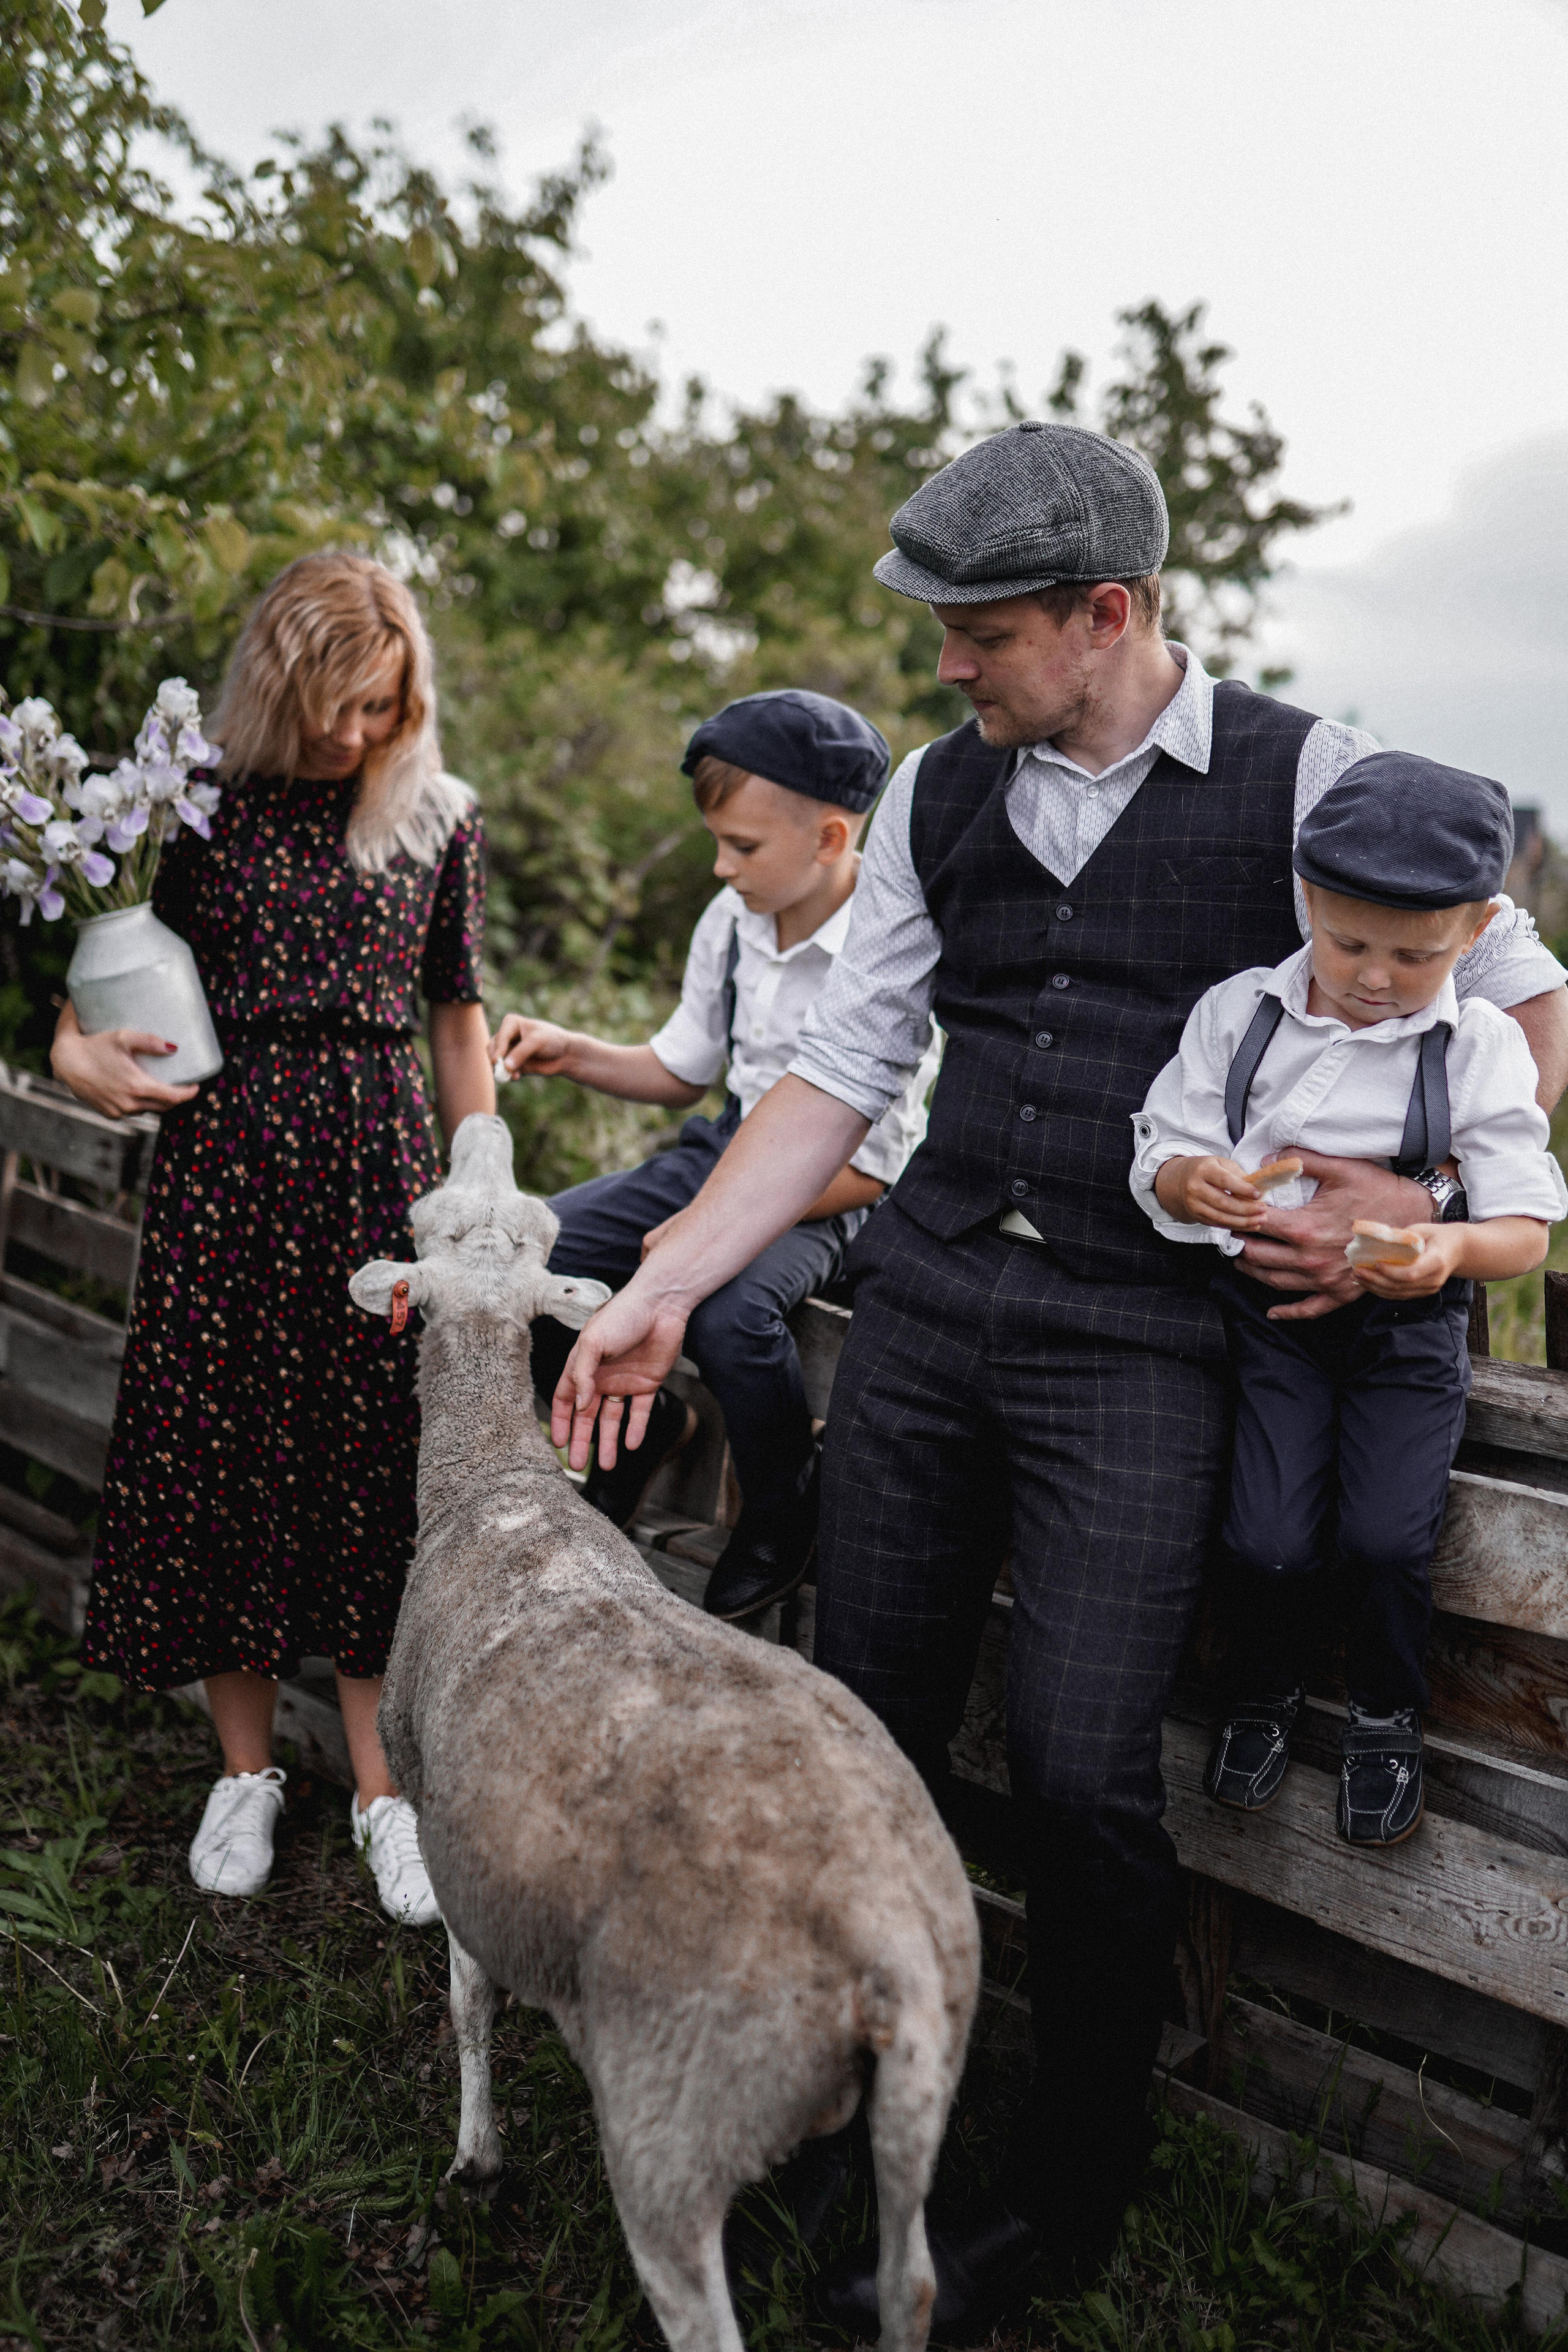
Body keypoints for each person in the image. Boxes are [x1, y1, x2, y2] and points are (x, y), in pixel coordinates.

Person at [542, 420, 1568, 2335]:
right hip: (930, 1309)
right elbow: (835, 1077)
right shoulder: (940, 792)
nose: (943, 666)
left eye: (978, 633)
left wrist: (1415, 1192)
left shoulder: (1314, 780)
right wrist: (668, 1277)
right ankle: (845, 2120)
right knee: (866, 1732)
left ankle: (1064, 2190)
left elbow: (1513, 987)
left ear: (1106, 614)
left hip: (1147, 1343)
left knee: (1094, 1771)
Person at [54, 552, 495, 1923]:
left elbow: (458, 1019)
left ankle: (382, 1792)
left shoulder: (437, 822)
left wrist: (479, 1191)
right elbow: (94, 989)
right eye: (328, 707)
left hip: (374, 1166)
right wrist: (82, 1062)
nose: (352, 735)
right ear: (271, 685)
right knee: (218, 1452)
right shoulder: (193, 809)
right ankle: (245, 1774)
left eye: (379, 707)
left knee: (367, 1465)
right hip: (220, 1172)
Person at [1133, 753, 1564, 1844]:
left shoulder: (1480, 1045)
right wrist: (1193, 1180)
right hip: (1269, 1320)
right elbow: (1164, 1145)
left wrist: (1442, 1249)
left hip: (1405, 1335)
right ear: (1307, 904)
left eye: (1417, 956)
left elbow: (1523, 1224)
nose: (1376, 978)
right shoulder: (1242, 1016)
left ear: (1474, 937)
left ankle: (1385, 1712)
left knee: (1384, 1538)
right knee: (1267, 1538)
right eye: (1350, 944)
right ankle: (1264, 1689)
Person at [491, 688, 938, 1620]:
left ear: (829, 839)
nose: (720, 866)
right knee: (520, 1252)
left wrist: (707, 1231)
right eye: (718, 842)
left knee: (730, 1314)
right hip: (723, 1145)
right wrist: (572, 1051)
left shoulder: (886, 952)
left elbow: (875, 1166)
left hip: (838, 1187)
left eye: (742, 847)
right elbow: (684, 1065)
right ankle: (647, 1426)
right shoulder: (731, 920)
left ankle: (782, 1505)